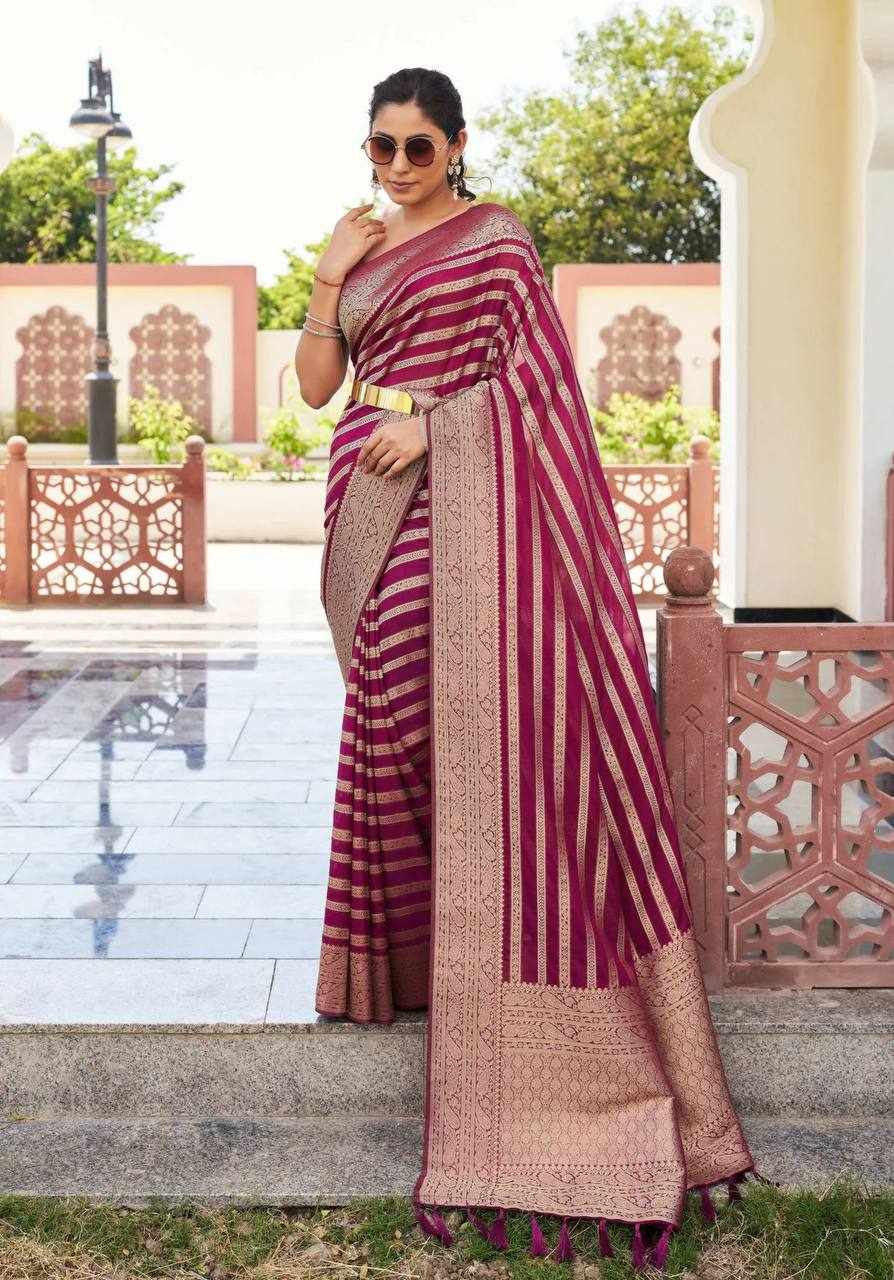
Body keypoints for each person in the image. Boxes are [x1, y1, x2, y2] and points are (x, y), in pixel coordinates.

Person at [296, 64, 765, 1274]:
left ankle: (495, 957)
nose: (399, 166)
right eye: (381, 146)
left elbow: (541, 386)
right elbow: (317, 388)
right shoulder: (359, 244)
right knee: (383, 709)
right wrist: (330, 280)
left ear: (456, 146)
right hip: (366, 494)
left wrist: (437, 422)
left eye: (418, 146)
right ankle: (409, 959)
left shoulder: (497, 242)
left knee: (455, 716)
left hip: (463, 491)